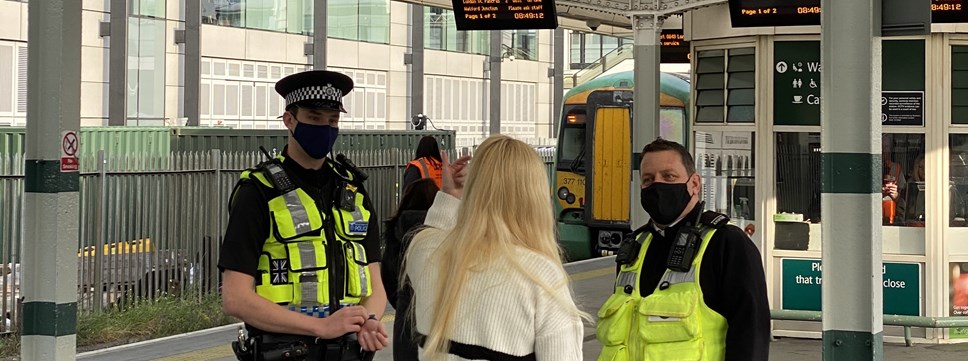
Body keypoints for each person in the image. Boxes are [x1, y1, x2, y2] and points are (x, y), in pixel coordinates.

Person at [218, 70, 389, 361]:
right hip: (284, 352)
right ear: (289, 119)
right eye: (314, 118)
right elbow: (236, 298)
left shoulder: (352, 190)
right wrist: (320, 327)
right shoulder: (258, 191)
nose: (325, 127)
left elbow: (375, 283)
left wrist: (370, 318)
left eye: (332, 120)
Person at [405, 135, 586, 360]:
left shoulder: (424, 253)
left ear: (475, 190)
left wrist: (449, 195)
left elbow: (434, 234)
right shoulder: (540, 276)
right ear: (535, 198)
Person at [597, 138, 770, 361]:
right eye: (648, 180)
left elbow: (751, 336)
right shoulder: (635, 247)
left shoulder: (726, 242)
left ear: (694, 184)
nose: (657, 186)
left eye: (669, 176)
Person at [381, 178, 439, 361]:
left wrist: (400, 301)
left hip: (406, 312)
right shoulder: (446, 226)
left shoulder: (396, 228)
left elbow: (387, 274)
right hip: (440, 310)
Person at [882, 135, 906, 225]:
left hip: (893, 214)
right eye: (881, 146)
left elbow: (904, 195)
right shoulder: (869, 167)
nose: (883, 150)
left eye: (886, 147)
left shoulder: (896, 168)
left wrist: (896, 195)